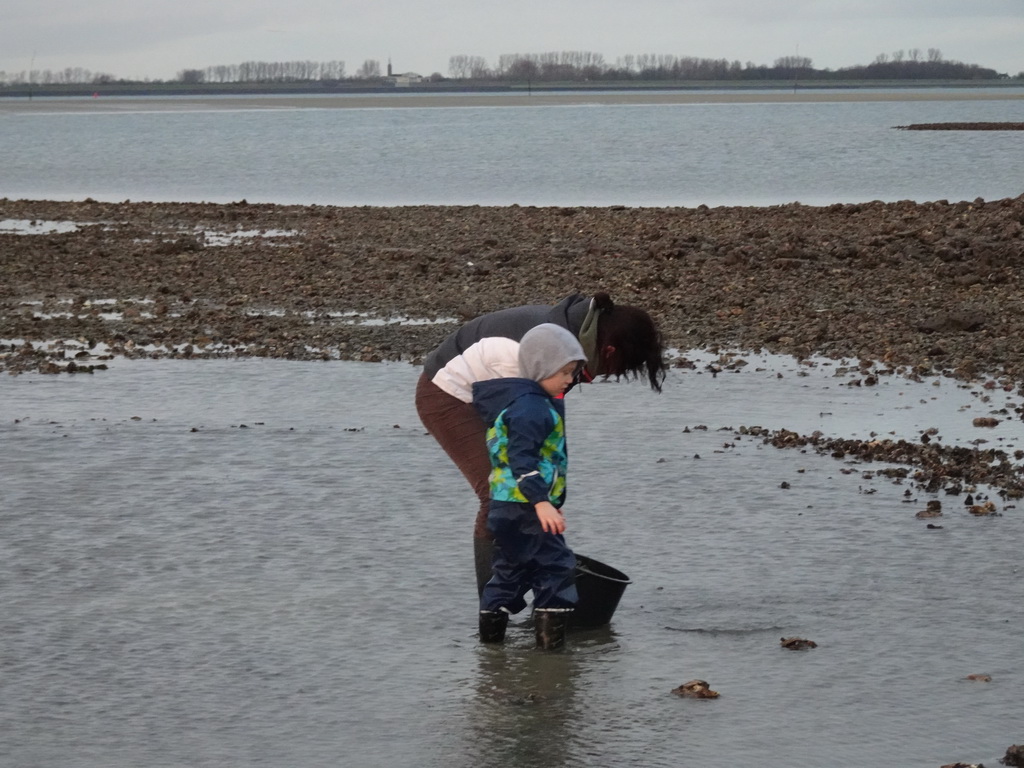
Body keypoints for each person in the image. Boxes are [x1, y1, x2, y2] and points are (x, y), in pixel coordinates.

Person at [415, 291, 667, 592]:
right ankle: (492, 605)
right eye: (619, 369)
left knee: (533, 492)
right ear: (610, 349)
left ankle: (529, 587)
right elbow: (517, 438)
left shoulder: (570, 348)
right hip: (448, 395)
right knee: (499, 494)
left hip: (497, 392)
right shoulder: (531, 352)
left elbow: (546, 429)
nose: (609, 376)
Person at [471, 323, 586, 649]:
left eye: (573, 372)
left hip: (505, 505)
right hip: (526, 506)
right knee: (557, 566)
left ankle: (491, 648)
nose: (569, 380)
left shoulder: (516, 402)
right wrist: (542, 501)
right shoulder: (532, 409)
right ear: (539, 368)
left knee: (511, 568)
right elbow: (522, 460)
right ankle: (550, 658)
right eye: (563, 372)